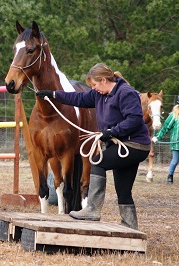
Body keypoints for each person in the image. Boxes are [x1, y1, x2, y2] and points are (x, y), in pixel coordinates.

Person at [36, 63, 151, 230]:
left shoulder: (125, 93)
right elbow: (78, 99)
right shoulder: (100, 95)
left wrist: (112, 132)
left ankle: (92, 209)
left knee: (97, 162)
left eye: (95, 85)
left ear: (103, 80)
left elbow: (134, 119)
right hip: (120, 145)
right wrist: (53, 94)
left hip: (135, 145)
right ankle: (130, 228)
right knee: (123, 191)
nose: (93, 89)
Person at [152, 96, 179, 184]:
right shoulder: (174, 115)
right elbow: (165, 127)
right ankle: (170, 176)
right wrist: (158, 137)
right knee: (175, 160)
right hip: (176, 143)